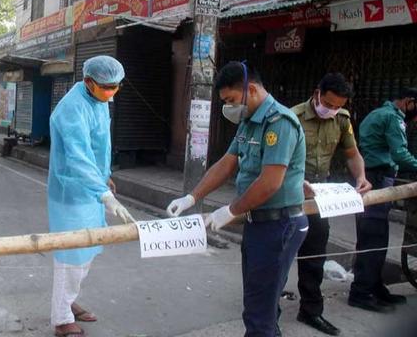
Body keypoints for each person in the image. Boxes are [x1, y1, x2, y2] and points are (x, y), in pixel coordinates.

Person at [167, 61, 308, 337]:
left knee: (259, 311)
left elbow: (270, 183)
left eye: (231, 100)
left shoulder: (279, 123)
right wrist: (192, 197)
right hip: (259, 223)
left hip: (278, 225)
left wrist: (230, 210)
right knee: (260, 304)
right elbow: (227, 163)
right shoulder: (249, 122)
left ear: (251, 90)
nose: (228, 108)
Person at [48, 55, 135, 337]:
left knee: (87, 251)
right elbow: (78, 155)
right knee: (71, 254)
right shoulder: (72, 108)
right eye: (107, 86)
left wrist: (104, 177)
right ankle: (61, 319)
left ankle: (69, 301)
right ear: (88, 82)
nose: (112, 92)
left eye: (117, 87)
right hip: (72, 190)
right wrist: (102, 192)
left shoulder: (99, 100)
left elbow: (100, 144)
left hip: (92, 188)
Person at [291, 73, 372, 336]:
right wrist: (295, 181)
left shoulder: (342, 120)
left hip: (320, 197)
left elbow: (352, 154)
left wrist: (360, 177)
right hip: (288, 193)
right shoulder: (292, 117)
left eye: (338, 105)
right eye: (329, 103)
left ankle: (311, 311)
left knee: (315, 254)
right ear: (317, 93)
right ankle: (267, 312)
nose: (332, 110)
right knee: (278, 253)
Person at [348, 88, 417, 312]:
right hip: (376, 179)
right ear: (409, 102)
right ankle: (361, 292)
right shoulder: (392, 118)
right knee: (373, 237)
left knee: (373, 236)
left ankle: (375, 287)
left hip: (369, 177)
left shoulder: (376, 114)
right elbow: (400, 153)